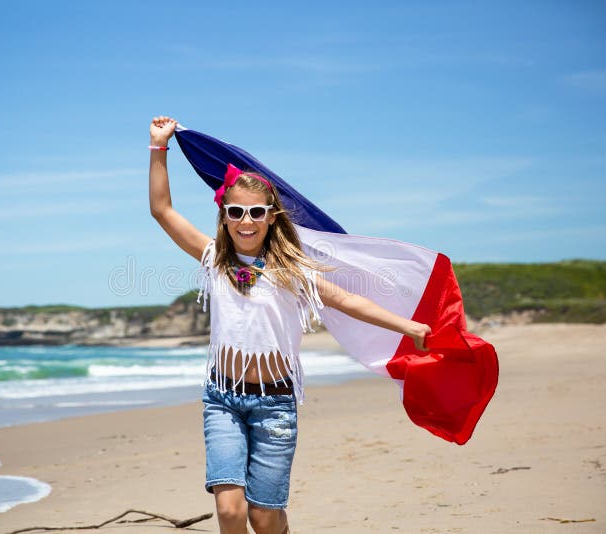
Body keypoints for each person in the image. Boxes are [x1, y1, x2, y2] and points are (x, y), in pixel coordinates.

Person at [148, 116, 431, 534]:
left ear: (271, 217)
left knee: (264, 518)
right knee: (229, 511)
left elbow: (347, 299)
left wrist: (407, 326)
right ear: (225, 216)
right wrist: (159, 148)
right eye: (237, 211)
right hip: (222, 400)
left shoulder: (291, 271)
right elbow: (161, 209)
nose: (247, 220)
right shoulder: (214, 260)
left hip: (275, 404)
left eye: (257, 212)